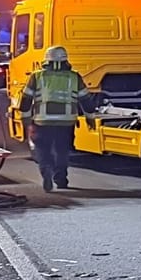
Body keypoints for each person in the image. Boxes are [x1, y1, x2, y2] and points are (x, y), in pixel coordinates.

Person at [19, 45, 90, 192]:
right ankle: (61, 179)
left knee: (43, 149)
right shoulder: (74, 77)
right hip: (66, 121)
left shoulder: (37, 76)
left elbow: (26, 99)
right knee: (62, 150)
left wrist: (25, 119)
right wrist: (90, 117)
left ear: (47, 60)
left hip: (42, 121)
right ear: (66, 60)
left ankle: (46, 171)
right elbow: (85, 98)